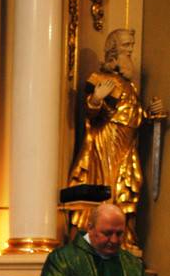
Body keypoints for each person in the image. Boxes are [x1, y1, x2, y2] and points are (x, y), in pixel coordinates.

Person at [68, 28, 163, 250]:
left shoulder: (130, 85)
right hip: (106, 142)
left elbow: (132, 115)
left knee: (128, 186)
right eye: (126, 45)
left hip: (128, 145)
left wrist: (150, 113)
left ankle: (124, 238)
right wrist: (96, 99)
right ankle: (100, 237)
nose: (130, 50)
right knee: (107, 187)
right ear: (113, 49)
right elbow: (92, 113)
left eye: (132, 45)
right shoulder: (100, 79)